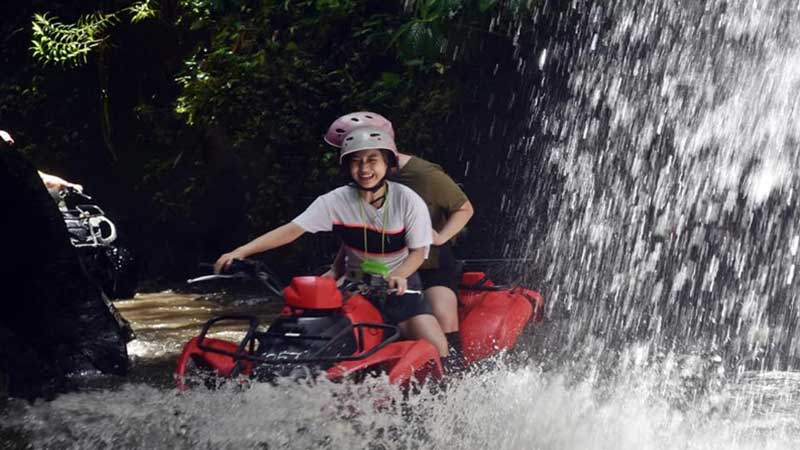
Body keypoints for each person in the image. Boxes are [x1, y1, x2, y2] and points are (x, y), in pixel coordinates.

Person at [215, 126, 449, 358]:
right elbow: (291, 230)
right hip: (353, 288)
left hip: (399, 287)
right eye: (356, 161)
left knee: (437, 347)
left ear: (388, 163)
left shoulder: (408, 200)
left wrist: (398, 275)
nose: (364, 168)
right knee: (313, 336)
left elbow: (419, 253)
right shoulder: (335, 200)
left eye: (372, 160)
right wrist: (241, 251)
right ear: (347, 167)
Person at [324, 112, 474, 372]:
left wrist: (439, 236)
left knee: (440, 313)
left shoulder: (423, 175)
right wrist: (336, 269)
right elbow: (357, 232)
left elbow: (464, 208)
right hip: (383, 266)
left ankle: (455, 377)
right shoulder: (361, 181)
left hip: (430, 266)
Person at [1, 129, 83, 191]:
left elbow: (41, 178)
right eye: (6, 144)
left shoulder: (17, 164)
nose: (10, 147)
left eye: (10, 144)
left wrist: (67, 185)